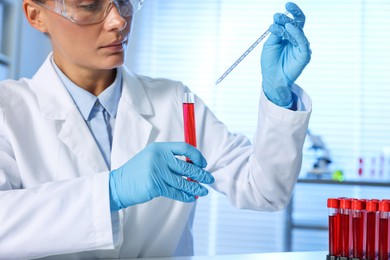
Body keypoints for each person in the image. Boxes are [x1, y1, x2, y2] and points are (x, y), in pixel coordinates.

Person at [0, 0, 312, 259]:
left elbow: (265, 190)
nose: (118, 21)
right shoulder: (8, 110)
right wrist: (111, 191)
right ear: (36, 15)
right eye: (90, 5)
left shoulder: (176, 102)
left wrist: (278, 96)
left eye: (123, 2)